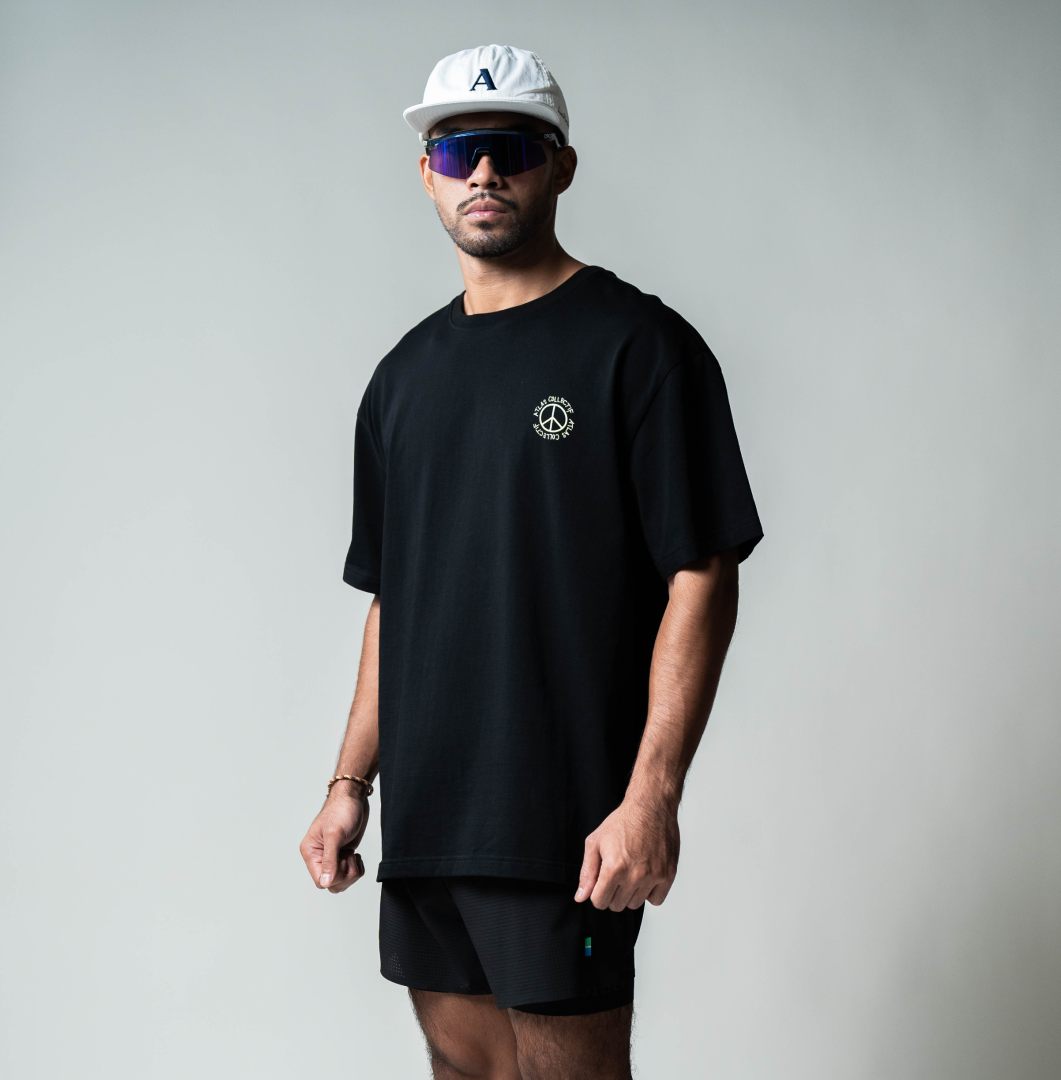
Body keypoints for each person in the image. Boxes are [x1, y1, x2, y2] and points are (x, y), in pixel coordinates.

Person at [299, 44, 763, 1080]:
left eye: (509, 149)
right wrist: (349, 784)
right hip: (429, 824)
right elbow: (393, 604)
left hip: (565, 824)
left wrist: (652, 797)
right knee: (464, 1073)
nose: (481, 173)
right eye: (455, 150)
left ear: (560, 166)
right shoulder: (400, 381)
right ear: (427, 175)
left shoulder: (640, 348)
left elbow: (702, 575)